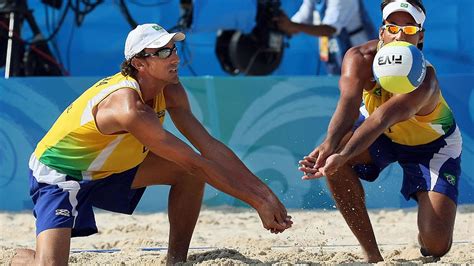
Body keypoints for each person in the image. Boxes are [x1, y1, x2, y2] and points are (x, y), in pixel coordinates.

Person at [12, 23, 292, 265]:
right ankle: (19, 258)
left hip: (110, 168)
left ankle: (176, 262)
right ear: (139, 63)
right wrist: (256, 201)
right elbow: (194, 160)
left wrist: (263, 191)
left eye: (173, 48)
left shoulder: (169, 88)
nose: (174, 57)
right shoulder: (128, 107)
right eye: (162, 52)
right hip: (62, 175)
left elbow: (208, 145)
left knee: (187, 175)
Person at [298, 0, 461, 262]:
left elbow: (383, 118)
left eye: (409, 30)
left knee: (436, 244)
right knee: (334, 160)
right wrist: (330, 145)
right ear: (381, 31)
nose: (399, 34)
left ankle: (427, 228)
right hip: (382, 134)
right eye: (392, 27)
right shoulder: (359, 58)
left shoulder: (426, 80)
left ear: (420, 37)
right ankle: (372, 255)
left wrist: (342, 152)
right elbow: (349, 105)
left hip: (433, 146)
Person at [276, 0, 376, 75]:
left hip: (360, 52)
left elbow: (330, 29)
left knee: (359, 89)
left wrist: (292, 26)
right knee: (337, 87)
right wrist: (281, 23)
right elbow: (297, 24)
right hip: (334, 52)